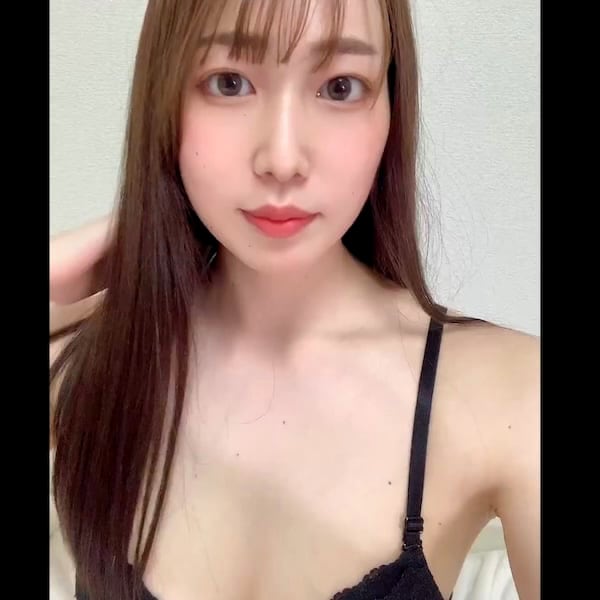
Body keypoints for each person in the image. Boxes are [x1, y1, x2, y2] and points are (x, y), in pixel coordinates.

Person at [50, 1, 540, 599]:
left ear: (391, 106)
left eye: (340, 87)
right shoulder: (88, 358)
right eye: (229, 82)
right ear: (165, 99)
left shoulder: (513, 396)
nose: (282, 160)